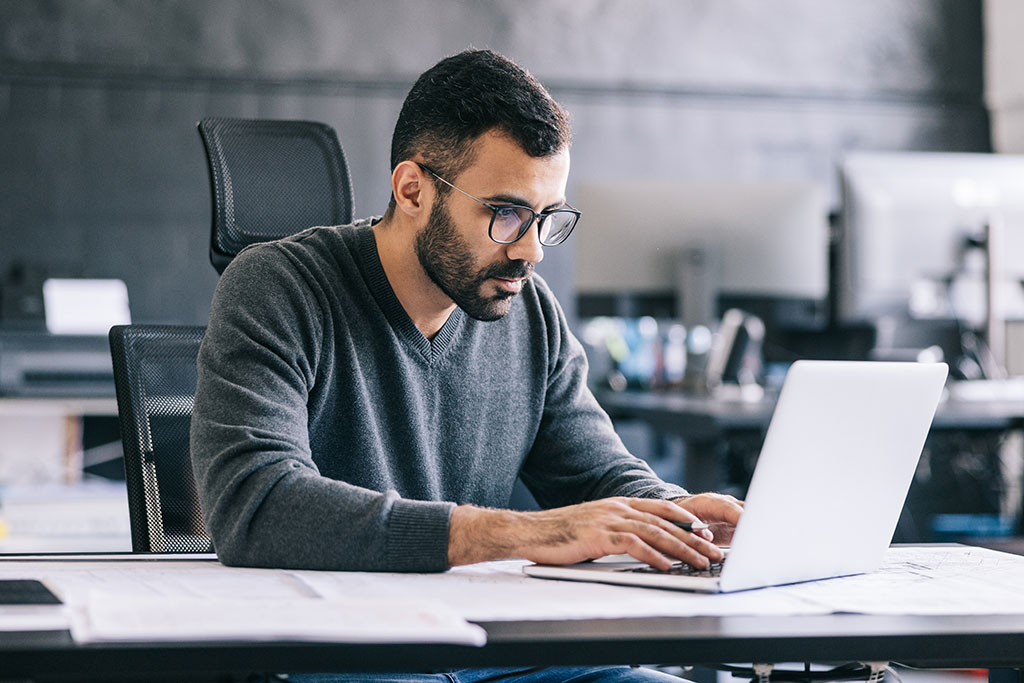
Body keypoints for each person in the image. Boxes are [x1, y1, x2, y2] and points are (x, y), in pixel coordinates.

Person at [191, 48, 743, 682]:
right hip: (350, 652)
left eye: (546, 218)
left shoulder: (532, 313)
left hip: (502, 652)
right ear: (413, 190)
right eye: (505, 214)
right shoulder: (278, 287)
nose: (531, 250)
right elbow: (254, 508)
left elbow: (597, 477)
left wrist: (682, 519)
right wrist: (520, 534)